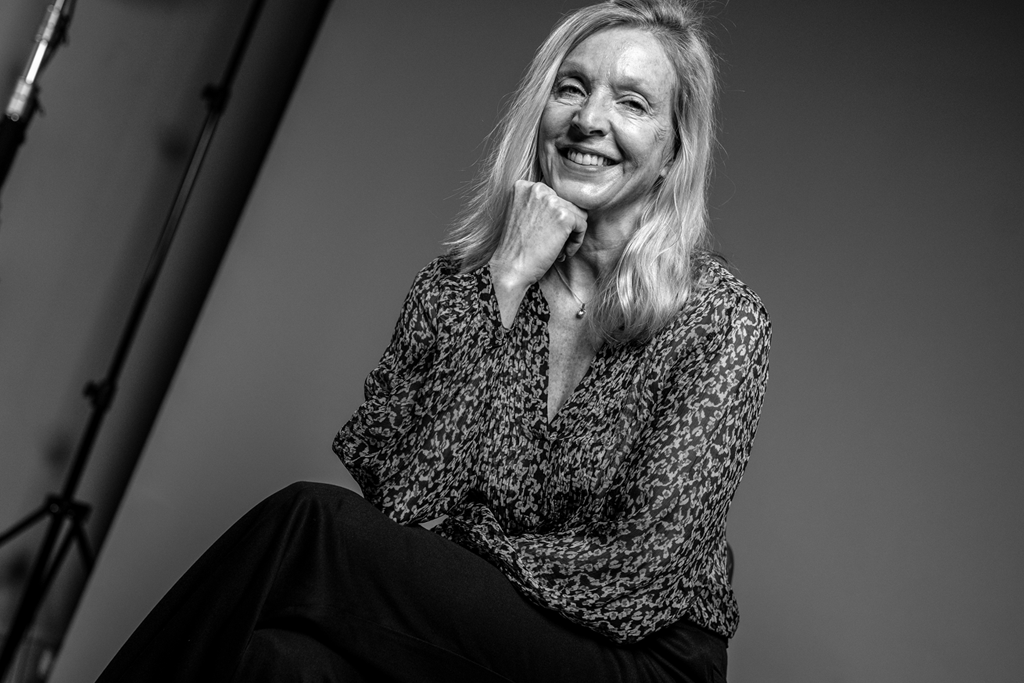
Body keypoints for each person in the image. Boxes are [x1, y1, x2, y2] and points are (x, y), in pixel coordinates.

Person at [97, 1, 769, 681]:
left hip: (637, 659)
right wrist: (507, 280)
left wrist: (470, 543)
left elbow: (636, 578)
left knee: (310, 527)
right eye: (572, 88)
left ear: (673, 150)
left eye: (631, 102)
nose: (589, 119)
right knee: (276, 662)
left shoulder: (721, 321)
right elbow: (403, 502)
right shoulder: (462, 286)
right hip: (478, 626)